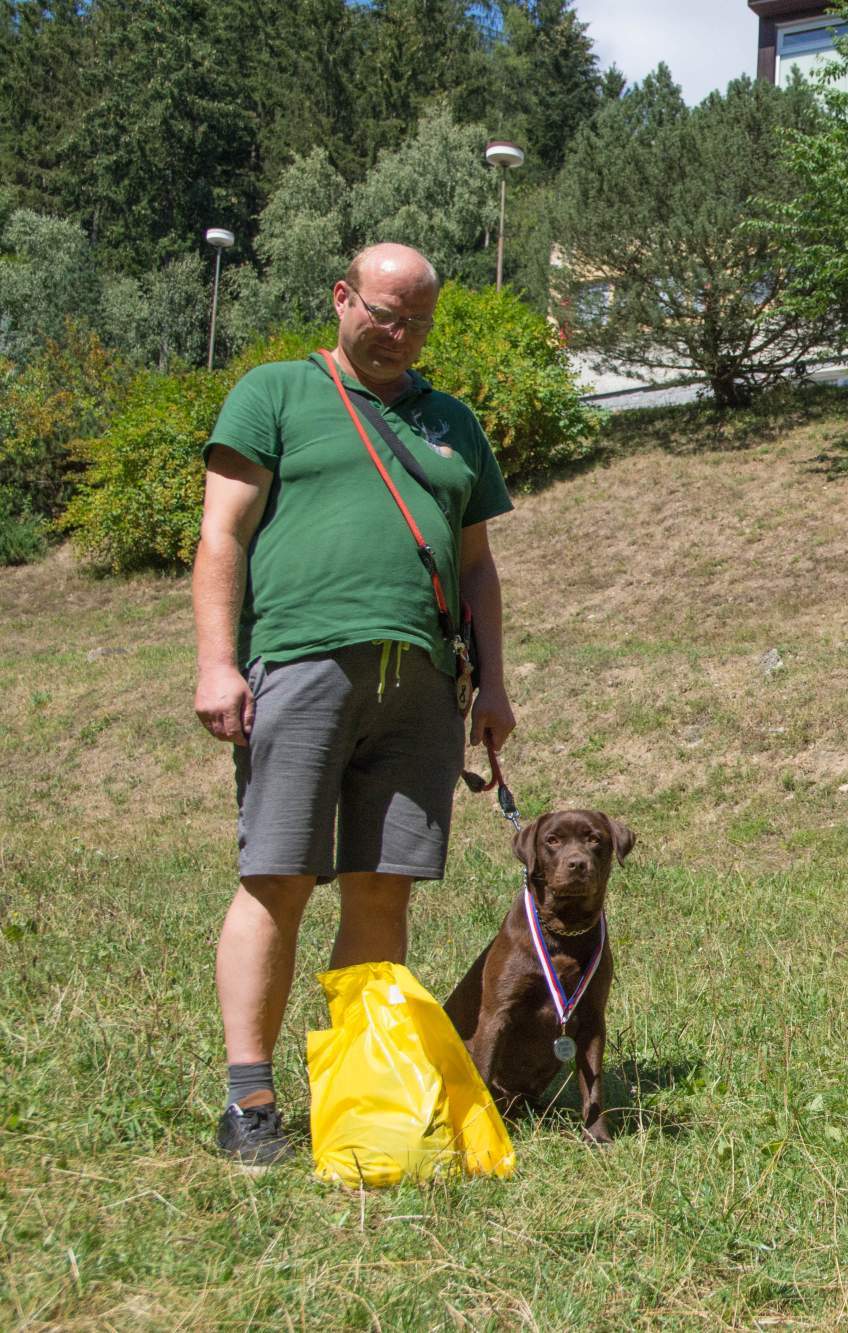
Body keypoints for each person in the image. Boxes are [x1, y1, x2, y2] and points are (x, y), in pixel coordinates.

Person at [192, 242, 515, 1165]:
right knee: (279, 874)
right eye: (383, 313)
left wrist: (492, 682)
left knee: (383, 885)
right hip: (298, 661)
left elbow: (478, 563)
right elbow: (222, 533)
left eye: (417, 321)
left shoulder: (452, 421)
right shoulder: (274, 393)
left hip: (422, 680)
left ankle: (359, 1096)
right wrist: (218, 663)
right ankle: (249, 1098)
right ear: (342, 298)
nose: (398, 334)